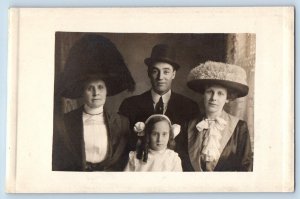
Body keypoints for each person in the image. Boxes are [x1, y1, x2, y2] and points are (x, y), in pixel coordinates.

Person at [52, 34, 135, 171]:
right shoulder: (65, 122)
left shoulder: (122, 123)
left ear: (106, 91)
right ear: (82, 92)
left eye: (100, 87)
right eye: (90, 88)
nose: (96, 93)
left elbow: (124, 161)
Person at [119, 44, 199, 151]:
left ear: (173, 74)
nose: (160, 77)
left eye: (166, 72)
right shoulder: (130, 105)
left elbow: (192, 150)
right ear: (148, 73)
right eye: (155, 71)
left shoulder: (189, 107)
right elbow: (123, 148)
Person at [177, 61, 253, 171]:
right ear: (204, 94)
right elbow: (180, 163)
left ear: (228, 98)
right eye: (210, 92)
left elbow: (246, 167)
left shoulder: (240, 127)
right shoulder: (188, 125)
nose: (214, 98)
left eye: (220, 93)